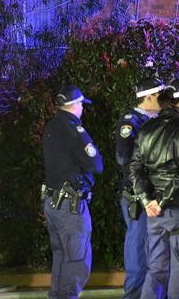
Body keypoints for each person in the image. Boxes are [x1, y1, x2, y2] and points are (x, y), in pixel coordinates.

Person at [129, 78, 179, 299]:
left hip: (153, 213)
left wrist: (147, 200)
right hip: (178, 209)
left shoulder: (146, 129)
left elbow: (135, 169)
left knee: (156, 269)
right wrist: (163, 201)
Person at [42, 84, 103, 299]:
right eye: (81, 104)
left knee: (60, 255)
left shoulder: (51, 126)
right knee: (76, 259)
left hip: (52, 202)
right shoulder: (74, 129)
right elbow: (96, 164)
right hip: (70, 205)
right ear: (75, 105)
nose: (82, 109)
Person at [115, 76, 163, 299]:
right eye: (160, 94)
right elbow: (124, 158)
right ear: (150, 96)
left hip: (153, 195)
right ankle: (134, 294)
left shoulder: (156, 120)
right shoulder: (131, 122)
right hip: (138, 197)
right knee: (138, 246)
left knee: (152, 247)